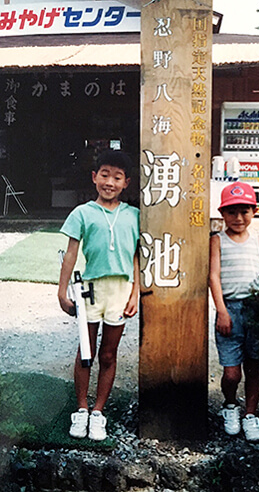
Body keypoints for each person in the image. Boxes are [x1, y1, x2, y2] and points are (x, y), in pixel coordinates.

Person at [58, 150, 140, 441]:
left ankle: (98, 412)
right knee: (86, 351)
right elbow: (70, 253)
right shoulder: (82, 213)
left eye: (117, 177)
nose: (110, 182)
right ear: (95, 177)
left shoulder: (134, 215)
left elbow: (135, 257)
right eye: (105, 175)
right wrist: (62, 290)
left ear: (126, 182)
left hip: (120, 291)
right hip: (89, 289)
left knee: (108, 354)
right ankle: (80, 410)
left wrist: (135, 293)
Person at [209, 181, 259, 442]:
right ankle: (230, 405)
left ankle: (251, 414)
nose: (238, 218)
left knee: (253, 366)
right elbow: (213, 277)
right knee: (232, 372)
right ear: (222, 214)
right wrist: (221, 310)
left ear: (254, 211)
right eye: (232, 212)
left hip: (255, 311)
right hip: (229, 310)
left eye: (244, 211)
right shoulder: (217, 241)